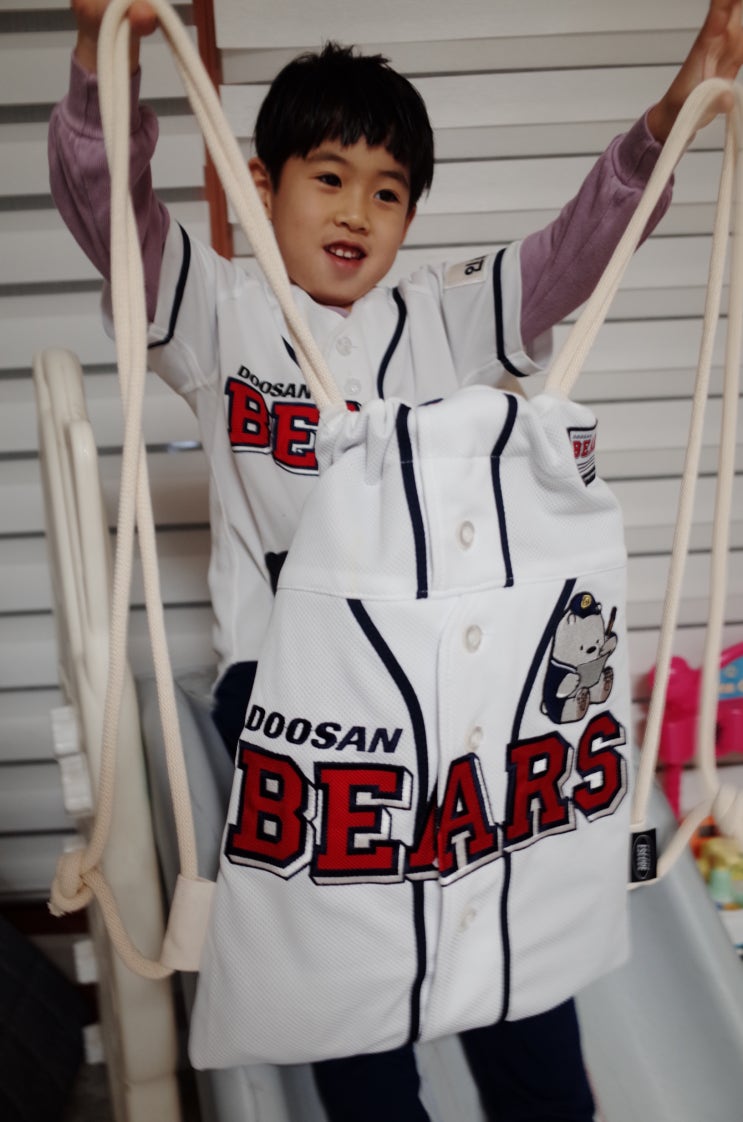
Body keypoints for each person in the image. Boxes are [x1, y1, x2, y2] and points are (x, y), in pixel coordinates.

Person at [49, 3, 743, 1120]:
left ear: (410, 214)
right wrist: (97, 60)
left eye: (386, 193)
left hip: (448, 686)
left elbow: (580, 248)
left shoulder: (442, 318)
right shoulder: (219, 310)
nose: (354, 212)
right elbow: (105, 208)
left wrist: (670, 112)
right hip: (294, 691)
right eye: (327, 178)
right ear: (263, 184)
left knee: (512, 948)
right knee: (352, 988)